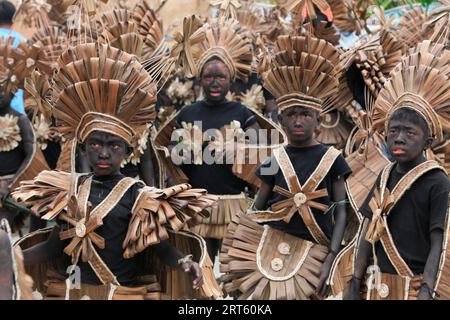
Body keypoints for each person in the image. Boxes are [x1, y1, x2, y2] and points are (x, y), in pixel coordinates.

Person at [11, 43, 221, 300]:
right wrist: (12, 256)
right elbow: (53, 247)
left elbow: (160, 249)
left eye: (113, 146)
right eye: (96, 144)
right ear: (84, 148)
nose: (103, 153)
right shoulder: (70, 191)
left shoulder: (139, 196)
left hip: (123, 293)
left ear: (127, 151)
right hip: (75, 293)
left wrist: (186, 263)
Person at [219, 35, 351, 300]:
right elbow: (257, 209)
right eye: (291, 115)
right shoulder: (274, 159)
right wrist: (241, 249)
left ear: (319, 120)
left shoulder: (333, 159)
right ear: (281, 119)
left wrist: (332, 258)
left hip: (315, 254)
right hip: (271, 248)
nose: (298, 121)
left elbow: (342, 212)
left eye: (305, 115)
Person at [343, 41, 450, 300]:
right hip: (376, 286)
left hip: (413, 289)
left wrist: (427, 290)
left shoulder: (437, 181)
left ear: (428, 140)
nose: (399, 138)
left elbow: (439, 242)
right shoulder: (385, 174)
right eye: (393, 131)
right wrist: (355, 281)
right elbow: (368, 229)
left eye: (409, 132)